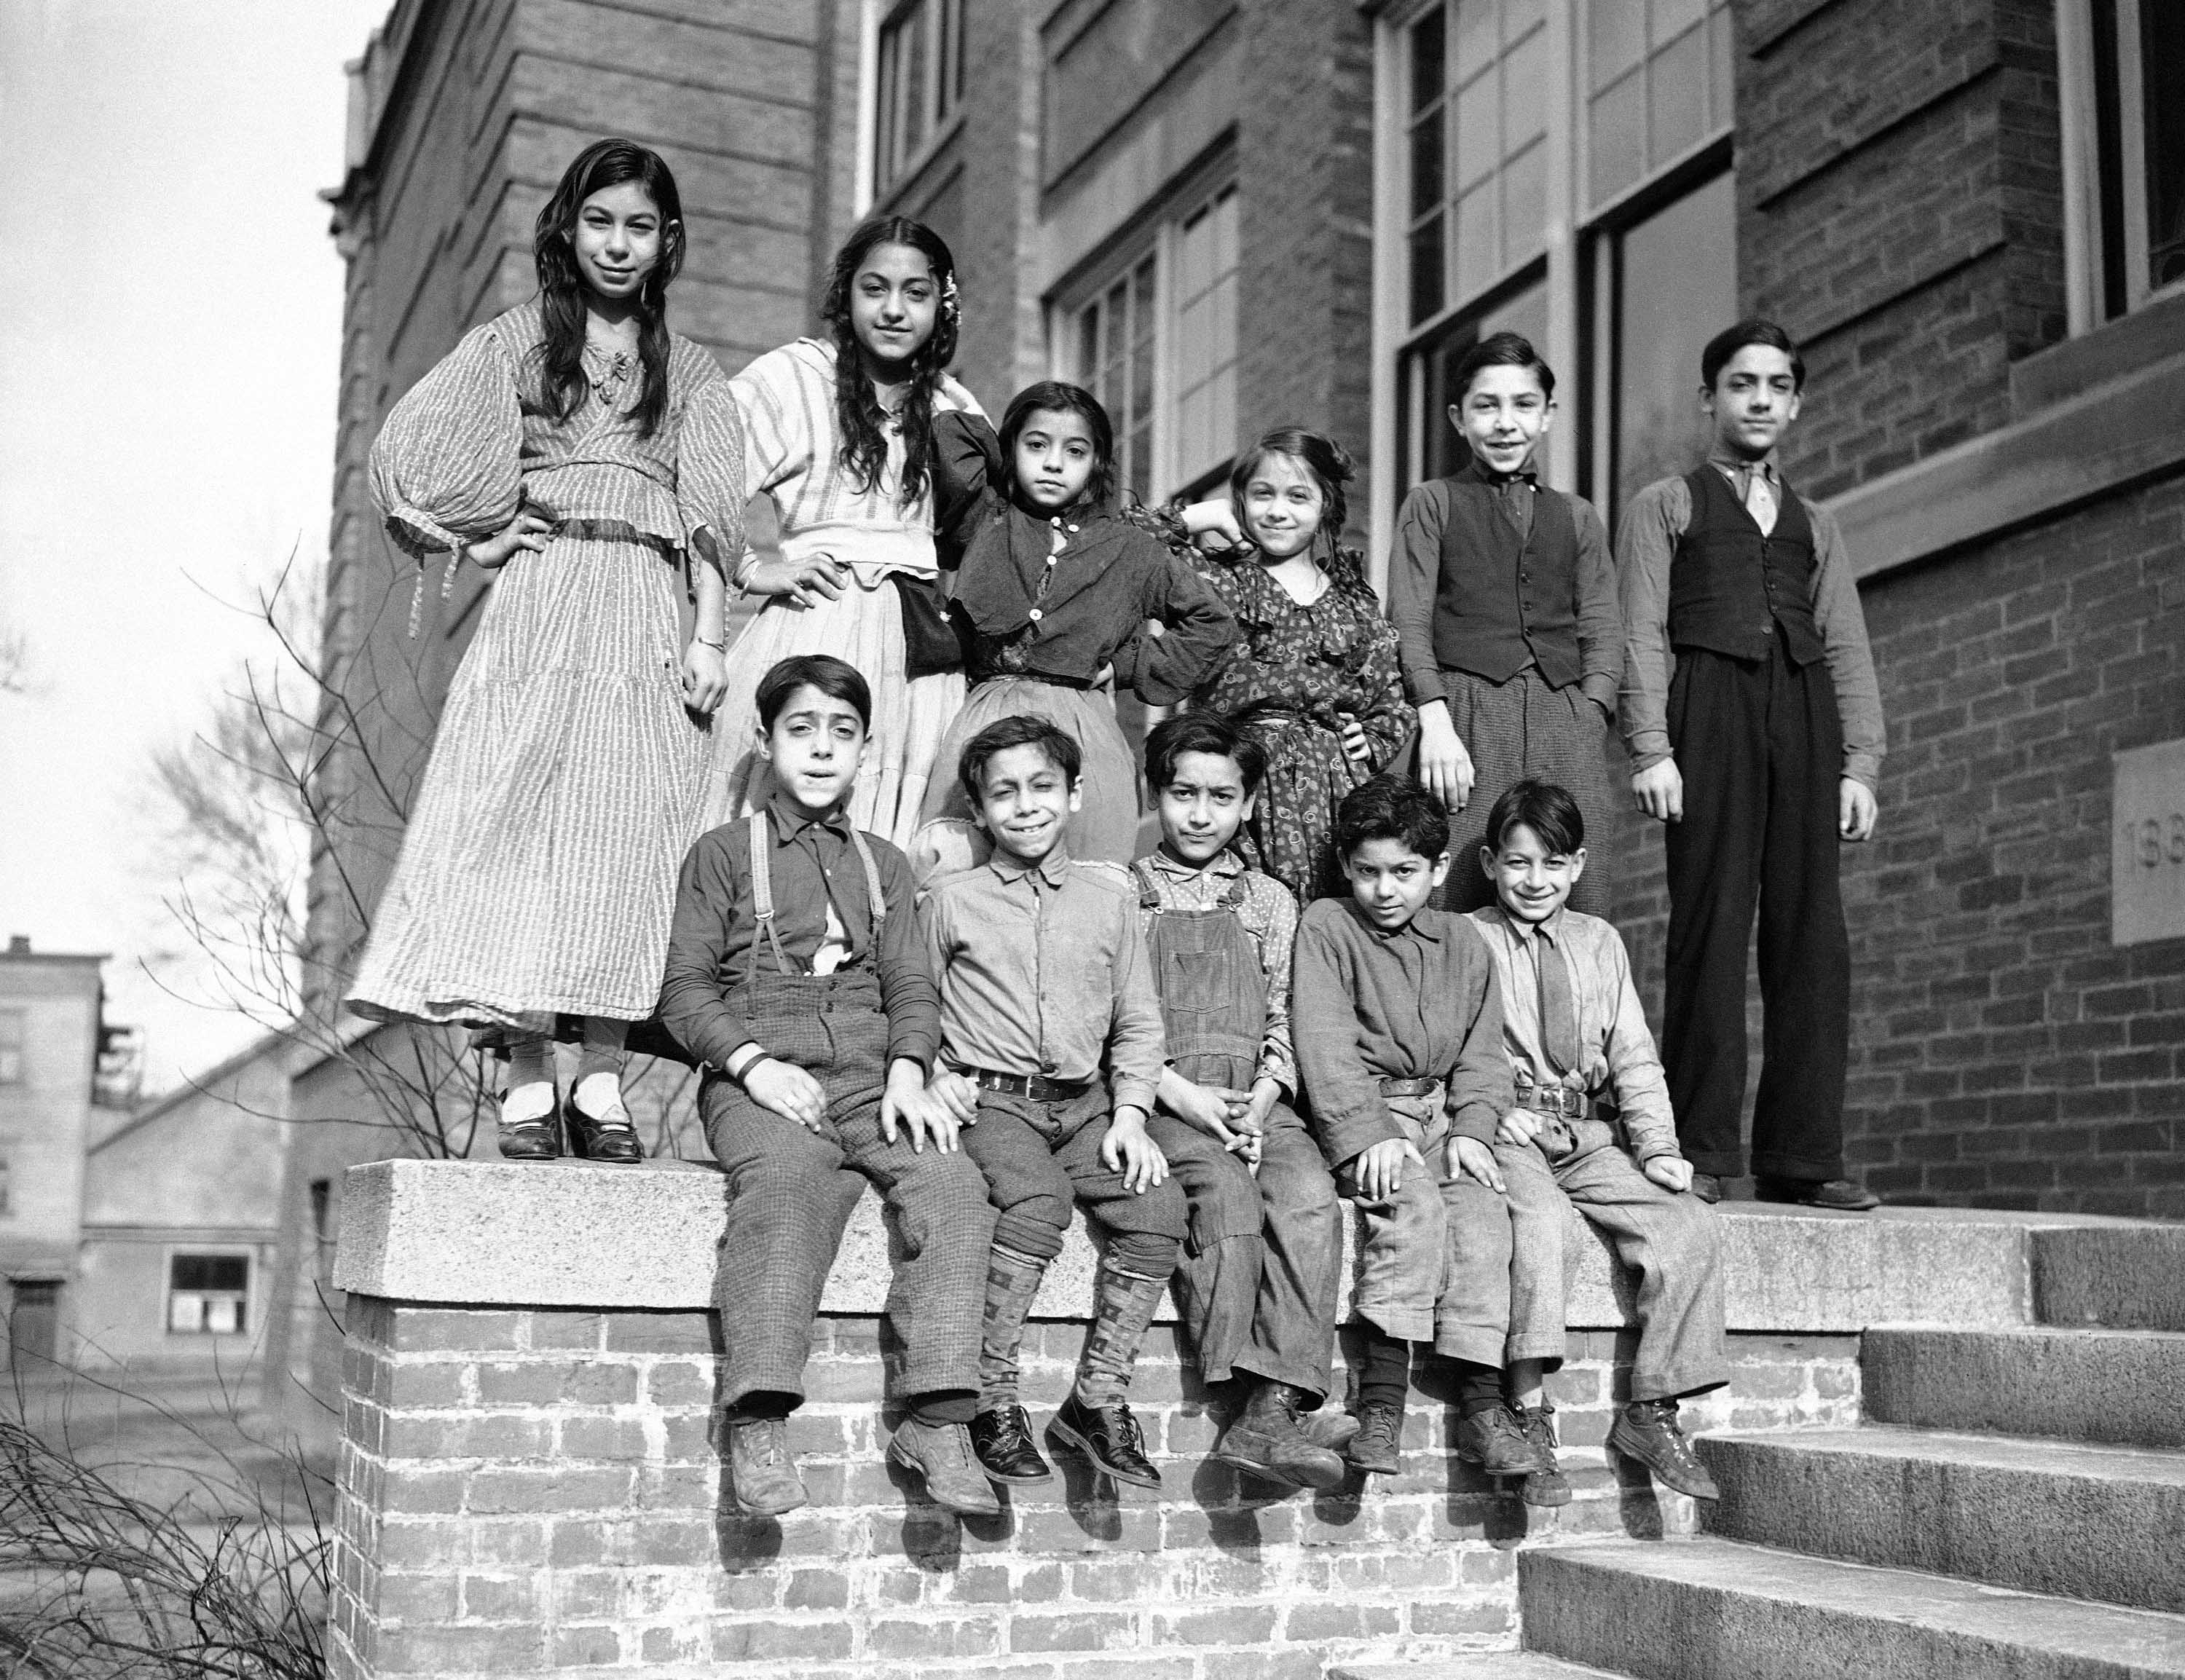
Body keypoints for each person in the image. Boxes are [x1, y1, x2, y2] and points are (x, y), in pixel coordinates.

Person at [348, 138, 745, 1162]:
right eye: (602, 221)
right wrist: (473, 538)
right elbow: (409, 453)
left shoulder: (691, 371)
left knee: (629, 836)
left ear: (669, 244)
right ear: (569, 228)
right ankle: (525, 1080)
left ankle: (603, 1078)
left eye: (641, 227)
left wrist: (709, 636)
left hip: (649, 613)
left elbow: (711, 516)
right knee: (517, 823)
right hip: (543, 600)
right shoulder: (518, 341)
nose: (620, 244)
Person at [656, 655, 999, 1519]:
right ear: (766, 742)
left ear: (865, 751)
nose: (821, 750)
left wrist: (910, 1071)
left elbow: (912, 987)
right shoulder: (722, 854)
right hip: (761, 1074)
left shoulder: (886, 865)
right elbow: (684, 992)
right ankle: (760, 1418)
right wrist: (752, 1066)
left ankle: (937, 1419)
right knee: (788, 1183)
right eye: (801, 731)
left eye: (841, 734)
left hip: (872, 1078)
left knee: (956, 1187)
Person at [1617, 318, 1885, 1210]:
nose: (1759, 400)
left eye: (1776, 386)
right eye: (1741, 384)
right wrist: (1651, 747)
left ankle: (1803, 1157)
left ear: (1796, 403)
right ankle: (1702, 1152)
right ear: (1710, 398)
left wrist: (1862, 762)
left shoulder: (1815, 520)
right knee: (1711, 927)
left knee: (1814, 935)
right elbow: (1641, 633)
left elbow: (1845, 640)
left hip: (1803, 713)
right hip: (1709, 711)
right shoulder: (1667, 503)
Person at [921, 716, 1188, 1490]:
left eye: (1042, 788)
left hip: (1086, 1106)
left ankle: (1099, 1400)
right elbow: (916, 1005)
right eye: (1003, 793)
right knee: (1035, 1204)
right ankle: (993, 1399)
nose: (1025, 806)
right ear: (978, 810)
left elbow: (1139, 1021)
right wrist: (936, 1070)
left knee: (1157, 1208)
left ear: (1073, 795)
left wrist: (1133, 1115)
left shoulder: (1110, 902)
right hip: (994, 1105)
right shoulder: (952, 902)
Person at [1465, 779, 1728, 1506]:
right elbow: (1451, 1050)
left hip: (1584, 1130)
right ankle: (1529, 1418)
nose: (1535, 881)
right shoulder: (1467, 938)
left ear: (1578, 866)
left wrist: (1660, 1148)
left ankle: (1652, 1409)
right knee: (1545, 1229)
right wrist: (1486, 1113)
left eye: (1552, 865)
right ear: (1489, 863)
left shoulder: (1599, 943)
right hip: (1509, 1128)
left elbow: (1635, 1057)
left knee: (1690, 1224)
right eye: (1518, 864)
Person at [1291, 776, 1548, 1483]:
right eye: (1368, 871)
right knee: (1413, 1207)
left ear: (1437, 871)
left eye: (1405, 873)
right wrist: (1367, 1132)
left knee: (1483, 1211)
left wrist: (1472, 1127)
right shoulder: (1327, 927)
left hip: (1442, 1118)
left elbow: (1483, 1054)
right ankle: (1381, 1402)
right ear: (1346, 865)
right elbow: (1323, 1042)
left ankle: (1481, 1406)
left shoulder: (1463, 940)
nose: (1385, 889)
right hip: (1369, 1115)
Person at [701, 216, 986, 848]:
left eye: (915, 294)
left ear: (943, 305)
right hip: (813, 626)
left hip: (919, 664)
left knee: (896, 841)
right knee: (779, 833)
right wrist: (753, 568)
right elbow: (698, 481)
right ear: (845, 295)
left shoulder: (957, 411)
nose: (893, 310)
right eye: (874, 288)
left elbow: (999, 542)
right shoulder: (795, 378)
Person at [1130, 714, 1350, 1491]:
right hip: (1164, 1096)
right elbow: (1117, 1025)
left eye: (1221, 797)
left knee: (1307, 1196)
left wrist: (1257, 1108)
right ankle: (1257, 1401)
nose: (1200, 813)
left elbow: (1288, 1015)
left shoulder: (1268, 900)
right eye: (1183, 793)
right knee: (1227, 1202)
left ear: (1249, 804)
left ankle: (1273, 1402)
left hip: (1255, 1099)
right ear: (1154, 794)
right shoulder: (1126, 894)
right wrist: (1187, 1101)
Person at [914, 382, 1237, 865]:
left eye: (1075, 451)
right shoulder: (986, 519)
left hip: (1085, 728)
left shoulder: (1130, 548)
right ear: (1012, 450)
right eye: (1036, 445)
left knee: (1085, 875)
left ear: (1096, 463)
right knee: (960, 868)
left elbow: (1211, 621)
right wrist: (941, 379)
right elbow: (950, 438)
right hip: (988, 716)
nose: (1053, 463)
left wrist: (1127, 664)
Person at [1387, 333, 1621, 915]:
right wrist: (1435, 720)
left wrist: (1589, 716)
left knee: (1575, 897)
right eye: (1486, 406)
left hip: (1563, 721)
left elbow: (1603, 630)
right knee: (1458, 892)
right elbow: (1408, 620)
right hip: (1464, 720)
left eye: (1523, 404)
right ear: (1458, 418)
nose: (1505, 423)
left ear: (1548, 415)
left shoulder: (1578, 516)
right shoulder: (1432, 503)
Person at [1176, 430, 1414, 905]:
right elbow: (1123, 543)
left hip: (1334, 788)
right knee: (1253, 913)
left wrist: (1372, 737)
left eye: (1298, 496)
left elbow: (1389, 693)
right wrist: (1205, 514)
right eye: (1262, 494)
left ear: (1325, 504)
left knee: (1335, 914)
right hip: (1242, 780)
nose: (1278, 510)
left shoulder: (1350, 598)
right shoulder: (1219, 578)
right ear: (1241, 498)